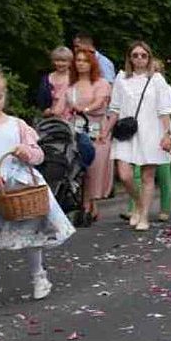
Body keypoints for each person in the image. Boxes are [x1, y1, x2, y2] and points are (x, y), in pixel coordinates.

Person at [0, 65, 74, 313]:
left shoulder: (17, 125)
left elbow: (39, 156)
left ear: (5, 96)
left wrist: (26, 152)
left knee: (31, 235)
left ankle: (38, 275)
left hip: (22, 188)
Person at [106, 41, 171, 231]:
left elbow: (164, 110)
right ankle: (138, 203)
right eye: (135, 55)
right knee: (125, 175)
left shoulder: (157, 80)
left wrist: (167, 134)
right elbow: (115, 108)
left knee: (147, 175)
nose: (139, 59)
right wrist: (105, 131)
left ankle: (143, 216)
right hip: (127, 132)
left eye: (143, 55)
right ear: (130, 58)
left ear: (149, 57)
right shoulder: (121, 79)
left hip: (151, 130)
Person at [65, 47, 112, 221]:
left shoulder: (101, 83)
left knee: (94, 168)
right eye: (78, 60)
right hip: (77, 129)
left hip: (97, 129)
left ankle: (89, 204)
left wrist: (84, 109)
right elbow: (63, 107)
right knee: (80, 167)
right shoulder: (72, 86)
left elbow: (99, 102)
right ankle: (88, 206)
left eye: (85, 61)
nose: (81, 64)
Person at [36, 47, 72, 116]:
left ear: (70, 62)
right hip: (51, 118)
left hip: (72, 118)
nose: (60, 63)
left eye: (63, 61)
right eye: (57, 60)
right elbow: (41, 99)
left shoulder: (75, 78)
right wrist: (45, 110)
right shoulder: (46, 79)